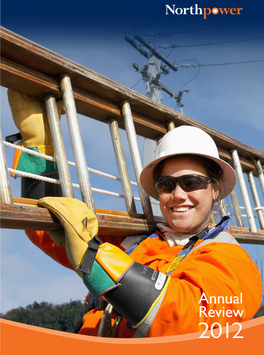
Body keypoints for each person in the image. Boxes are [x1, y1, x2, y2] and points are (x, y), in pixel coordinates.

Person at [8, 90, 262, 338]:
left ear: (215, 190)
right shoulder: (135, 241)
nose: (178, 195)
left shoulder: (233, 261)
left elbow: (186, 321)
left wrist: (93, 256)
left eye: (192, 182)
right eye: (166, 184)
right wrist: (37, 148)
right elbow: (48, 232)